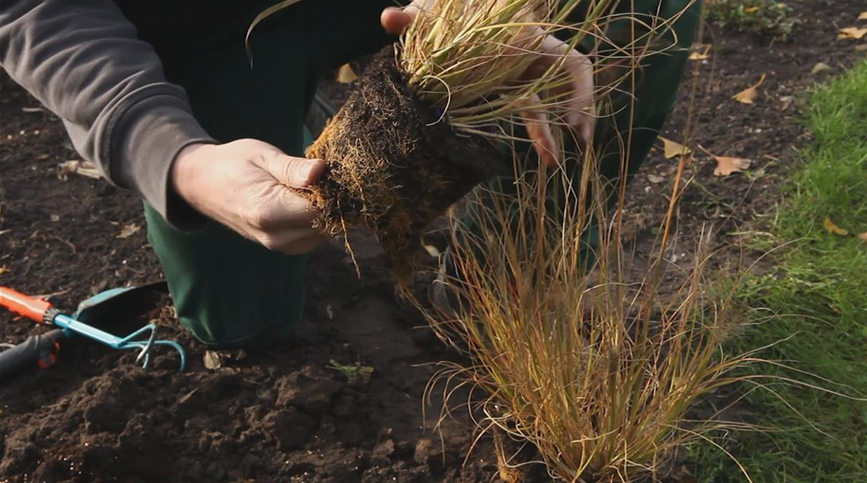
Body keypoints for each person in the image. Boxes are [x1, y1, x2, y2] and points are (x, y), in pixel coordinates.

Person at [0, 0, 700, 348]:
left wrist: (468, 17)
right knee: (242, 323)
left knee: (638, 8)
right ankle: (282, 124)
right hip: (202, 29)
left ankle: (494, 296)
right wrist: (178, 157)